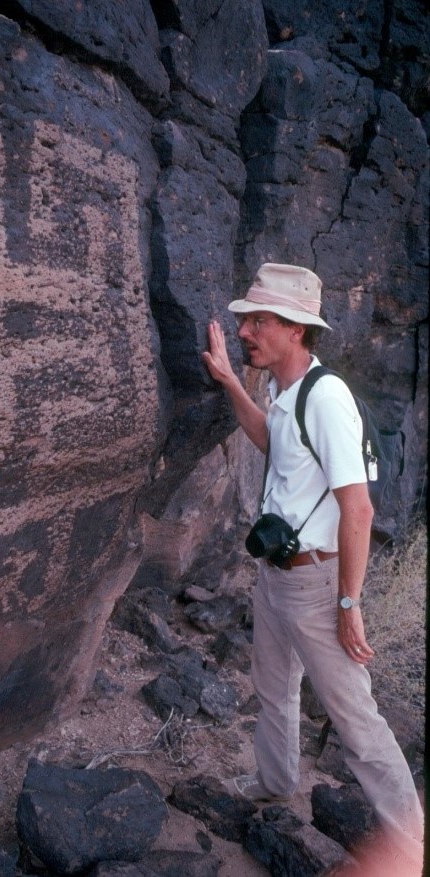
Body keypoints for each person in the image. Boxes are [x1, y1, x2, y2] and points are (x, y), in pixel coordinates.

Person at [202, 263, 424, 873]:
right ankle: (275, 783)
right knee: (273, 690)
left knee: (356, 720)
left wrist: (349, 606)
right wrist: (230, 382)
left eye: (260, 320)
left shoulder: (326, 398)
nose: (246, 329)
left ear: (297, 329)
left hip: (317, 583)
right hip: (277, 575)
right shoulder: (284, 391)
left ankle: (408, 850)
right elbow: (275, 446)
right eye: (247, 318)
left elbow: (358, 509)